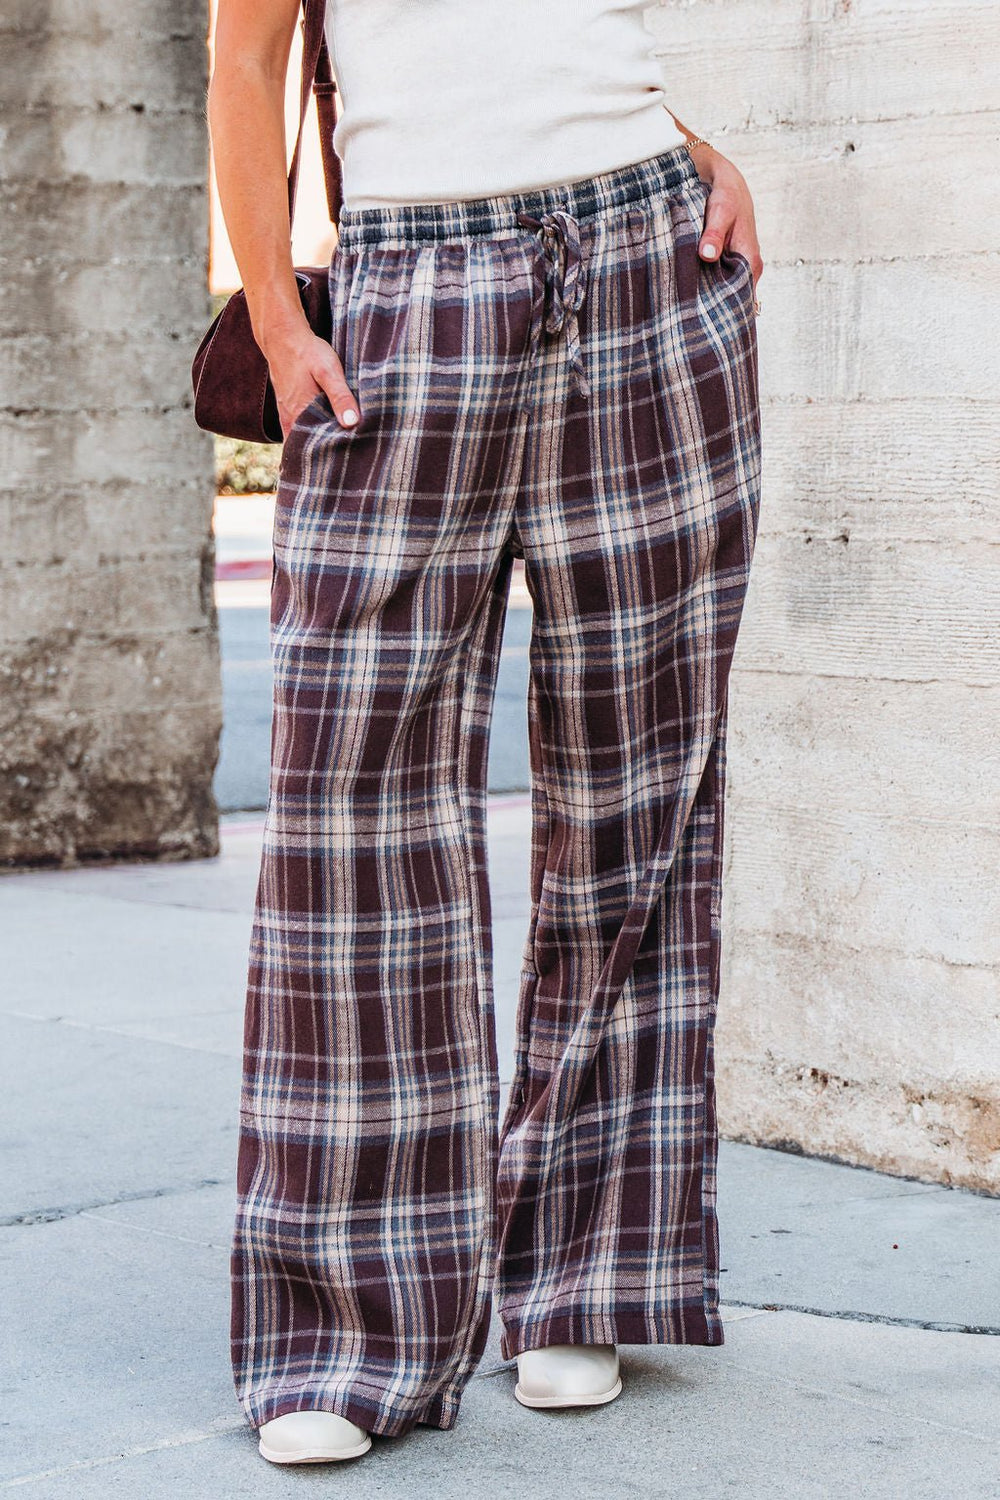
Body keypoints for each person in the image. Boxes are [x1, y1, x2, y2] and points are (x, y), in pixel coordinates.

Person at [208, 0, 763, 1467]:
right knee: (350, 817)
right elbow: (250, 55)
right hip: (409, 287)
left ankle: (579, 1271)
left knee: (638, 785)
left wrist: (692, 147)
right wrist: (274, 315)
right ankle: (344, 1324)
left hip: (651, 260)